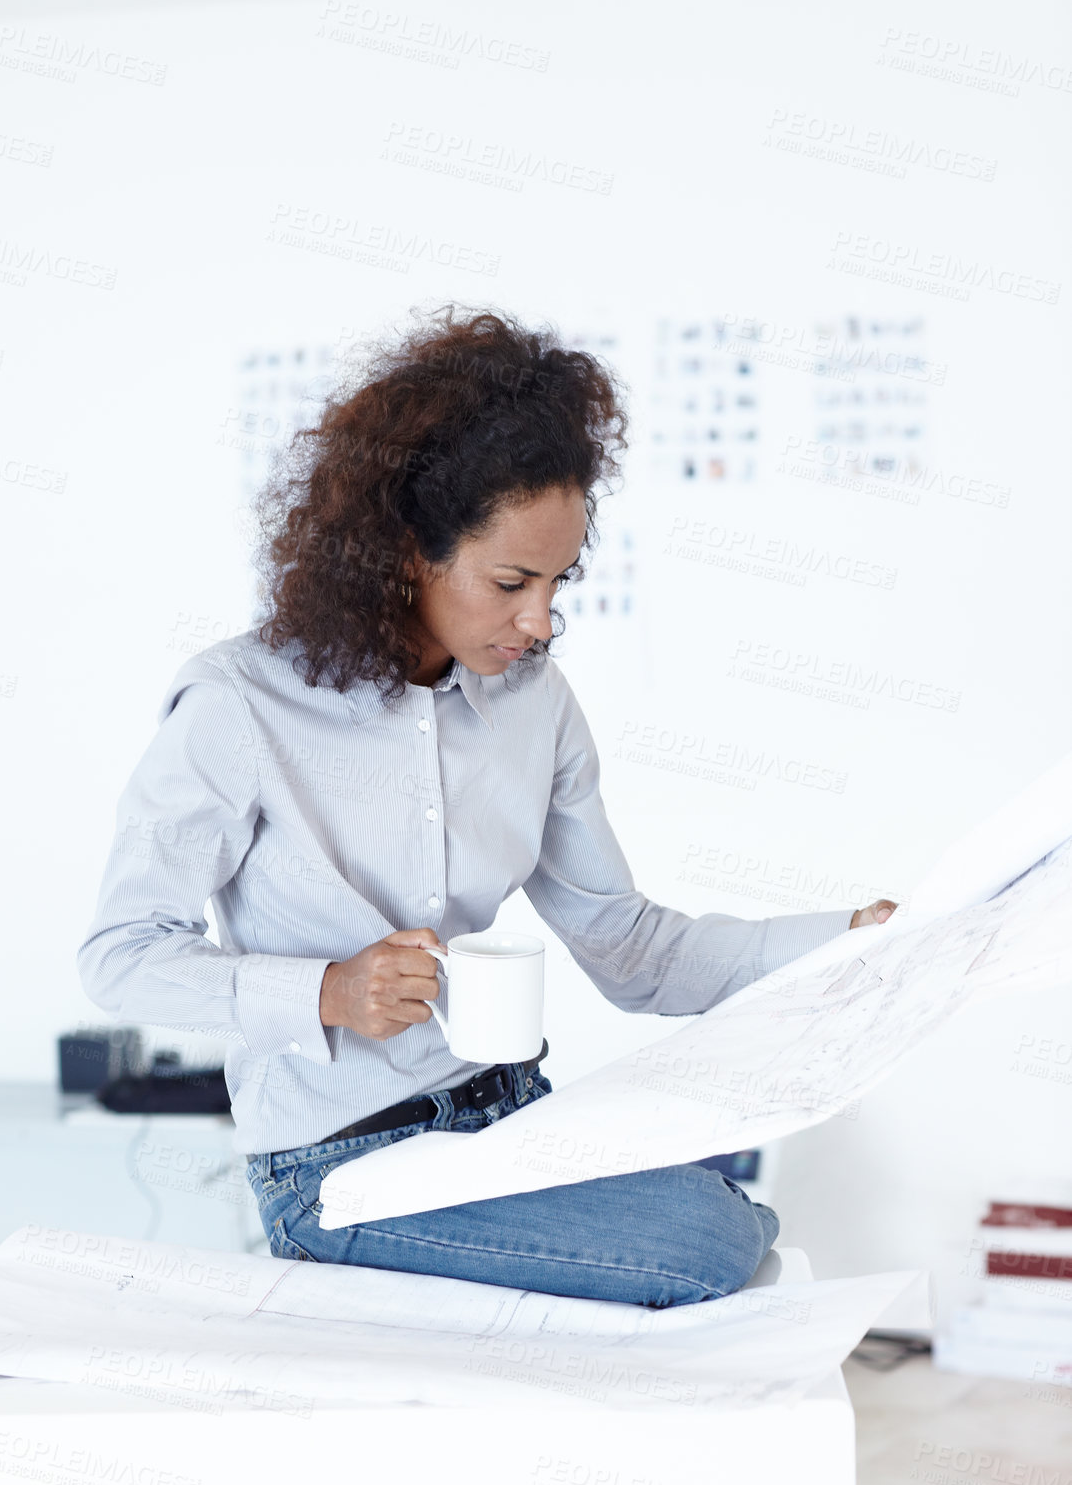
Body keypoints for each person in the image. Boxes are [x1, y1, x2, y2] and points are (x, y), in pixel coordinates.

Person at [77, 305, 897, 1309]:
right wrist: (326, 992)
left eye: (558, 581)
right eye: (510, 581)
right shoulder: (237, 706)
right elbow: (119, 956)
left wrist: (847, 942)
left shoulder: (534, 703)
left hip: (503, 1117)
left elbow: (630, 949)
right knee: (707, 1241)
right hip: (336, 1170)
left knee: (717, 1197)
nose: (539, 620)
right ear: (402, 553)